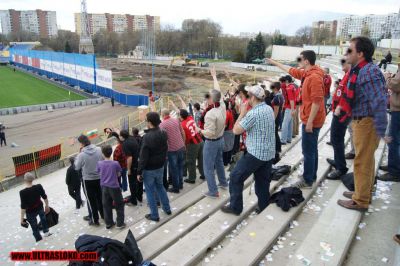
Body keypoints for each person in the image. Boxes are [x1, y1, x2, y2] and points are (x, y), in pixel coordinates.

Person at [336, 36, 388, 211]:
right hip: (362, 120)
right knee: (364, 160)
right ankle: (361, 191)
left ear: (360, 53)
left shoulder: (369, 72)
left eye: (350, 50)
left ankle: (361, 200)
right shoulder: (359, 70)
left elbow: (380, 100)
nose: (346, 53)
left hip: (368, 122)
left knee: (362, 161)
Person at [267, 50, 326, 189]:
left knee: (308, 151)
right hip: (310, 117)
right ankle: (311, 175)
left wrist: (310, 122)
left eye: (300, 59)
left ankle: (307, 180)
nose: (298, 61)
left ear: (306, 61)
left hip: (312, 119)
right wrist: (274, 62)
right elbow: (292, 70)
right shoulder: (308, 73)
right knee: (312, 149)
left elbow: (317, 101)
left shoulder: (314, 77)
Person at [221, 85, 275, 215]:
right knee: (262, 182)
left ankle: (235, 207)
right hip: (268, 152)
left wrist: (242, 113)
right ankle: (263, 206)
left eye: (249, 96)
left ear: (252, 98)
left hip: (255, 153)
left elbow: (235, 130)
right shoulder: (268, 108)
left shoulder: (253, 113)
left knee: (235, 177)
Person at [196, 66, 228, 198]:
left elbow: (209, 133)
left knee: (208, 168)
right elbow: (218, 91)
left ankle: (213, 191)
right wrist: (214, 76)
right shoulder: (222, 105)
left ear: (211, 100)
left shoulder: (210, 114)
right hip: (221, 139)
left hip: (212, 142)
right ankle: (223, 182)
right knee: (219, 162)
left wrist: (199, 130)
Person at [137, 112, 172, 222]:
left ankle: (154, 215)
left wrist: (139, 172)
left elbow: (143, 157)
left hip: (150, 169)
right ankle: (167, 208)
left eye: (147, 121)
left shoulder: (147, 137)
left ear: (150, 122)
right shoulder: (163, 132)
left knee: (150, 191)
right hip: (160, 166)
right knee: (160, 187)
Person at [326, 60, 352, 180]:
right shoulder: (347, 74)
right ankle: (338, 161)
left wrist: (340, 106)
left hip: (342, 112)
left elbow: (348, 94)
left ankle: (341, 168)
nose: (341, 66)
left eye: (344, 63)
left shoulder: (351, 75)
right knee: (335, 138)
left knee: (337, 138)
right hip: (338, 110)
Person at [75, 135, 104, 225]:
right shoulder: (99, 149)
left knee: (91, 201)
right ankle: (104, 215)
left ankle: (95, 220)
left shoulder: (82, 155)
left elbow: (76, 167)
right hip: (99, 177)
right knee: (100, 198)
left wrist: (77, 156)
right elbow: (103, 159)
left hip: (88, 180)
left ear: (82, 143)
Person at [378, 66, 400, 182]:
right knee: (395, 140)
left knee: (394, 140)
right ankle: (394, 165)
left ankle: (394, 171)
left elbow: (394, 85)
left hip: (398, 110)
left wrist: (387, 78)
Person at [97, 145, 125, 229]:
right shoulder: (115, 163)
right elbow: (119, 174)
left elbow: (98, 173)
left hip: (104, 187)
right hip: (114, 187)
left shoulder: (99, 163)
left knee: (106, 205)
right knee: (119, 205)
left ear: (102, 154)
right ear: (111, 152)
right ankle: (119, 223)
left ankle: (108, 223)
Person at [20, 172, 52, 242]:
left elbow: (23, 206)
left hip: (30, 211)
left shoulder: (22, 192)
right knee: (43, 219)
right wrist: (47, 205)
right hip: (39, 207)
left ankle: (38, 238)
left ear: (25, 180)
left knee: (34, 225)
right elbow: (44, 197)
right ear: (32, 179)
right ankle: (46, 232)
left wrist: (22, 218)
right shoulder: (38, 186)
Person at [160, 109, 186, 193]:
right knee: (180, 167)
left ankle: (176, 188)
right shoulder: (176, 120)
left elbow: (164, 141)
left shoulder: (162, 125)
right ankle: (180, 184)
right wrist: (183, 143)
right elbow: (182, 132)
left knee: (174, 169)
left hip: (172, 150)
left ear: (163, 115)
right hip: (181, 146)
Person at [178, 109, 204, 184]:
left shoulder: (182, 125)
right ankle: (203, 174)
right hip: (200, 140)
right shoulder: (191, 118)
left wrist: (184, 146)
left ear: (181, 116)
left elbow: (185, 137)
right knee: (201, 159)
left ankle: (192, 178)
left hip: (193, 144)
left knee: (191, 161)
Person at [120, 129, 142, 205]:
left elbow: (129, 158)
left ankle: (133, 201)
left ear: (122, 136)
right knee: (139, 181)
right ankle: (139, 196)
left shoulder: (125, 144)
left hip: (133, 165)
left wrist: (129, 169)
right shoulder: (132, 138)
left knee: (132, 183)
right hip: (138, 162)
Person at [270, 82, 284, 163]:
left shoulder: (276, 98)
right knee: (275, 133)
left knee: (275, 133)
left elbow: (276, 111)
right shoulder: (280, 96)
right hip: (279, 117)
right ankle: (278, 148)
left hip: (276, 118)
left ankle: (277, 148)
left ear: (275, 88)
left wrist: (273, 120)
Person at [280, 75, 296, 145]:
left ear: (286, 81)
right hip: (292, 107)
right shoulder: (293, 86)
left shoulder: (289, 88)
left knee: (285, 124)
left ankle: (283, 140)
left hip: (290, 107)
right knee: (290, 123)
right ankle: (289, 138)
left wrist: (292, 109)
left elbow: (291, 99)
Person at [223, 100, 235, 166]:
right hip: (231, 130)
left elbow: (225, 125)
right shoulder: (230, 111)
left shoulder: (226, 113)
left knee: (225, 148)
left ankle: (225, 162)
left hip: (227, 132)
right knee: (230, 146)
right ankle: (228, 160)